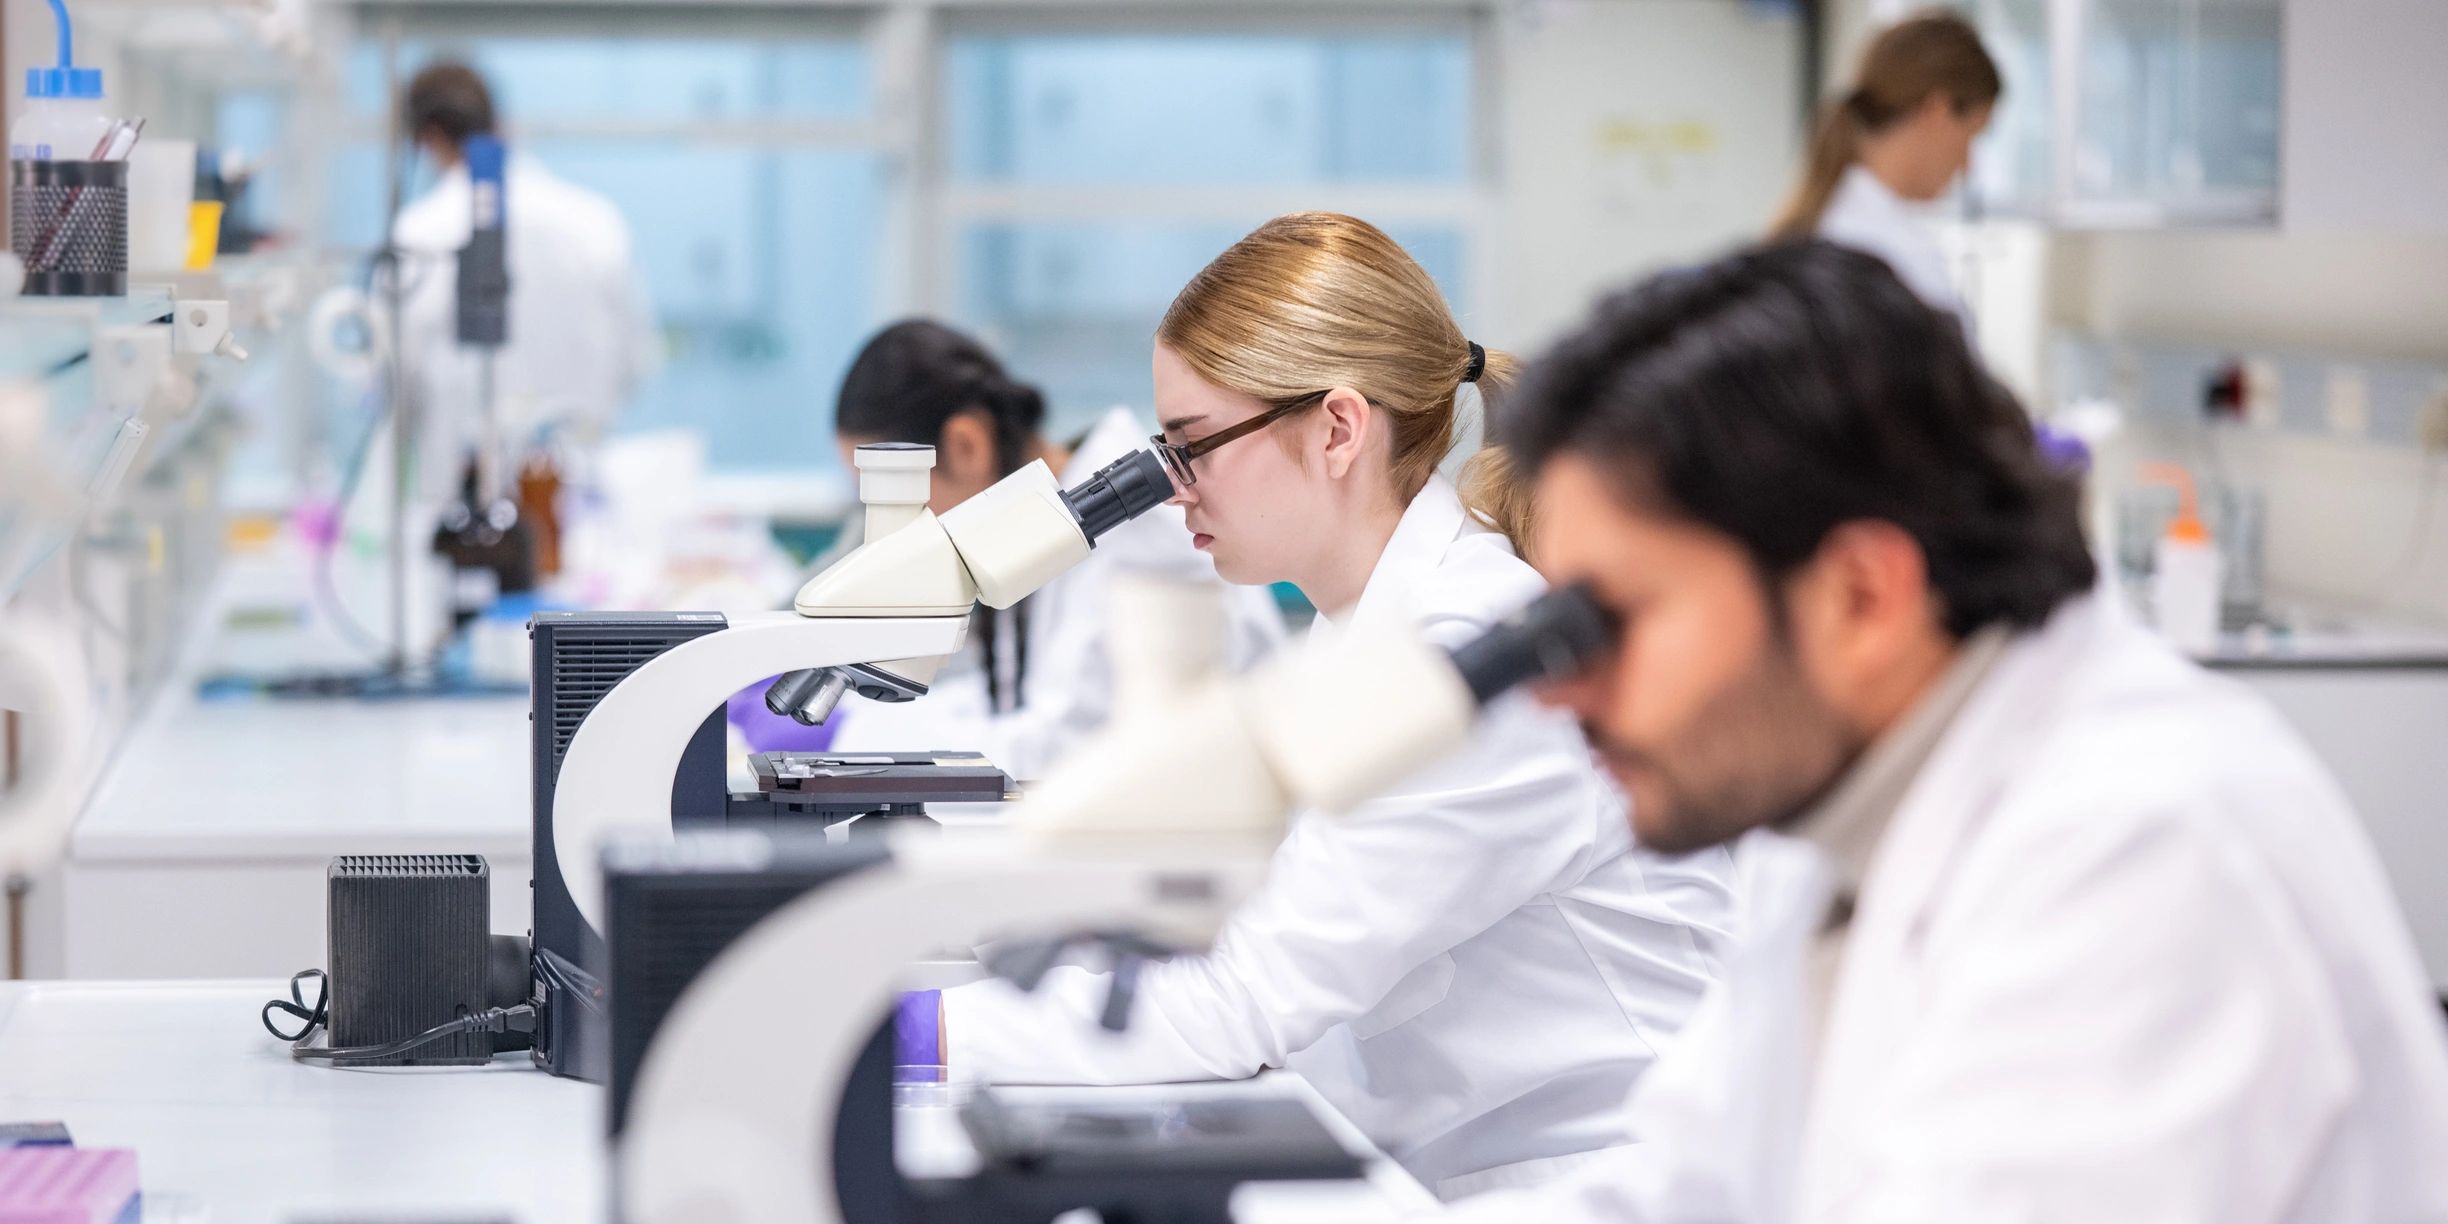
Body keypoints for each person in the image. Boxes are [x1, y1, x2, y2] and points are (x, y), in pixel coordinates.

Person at [1431, 239, 2448, 1221]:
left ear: (1864, 596)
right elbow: (1683, 1190)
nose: (1560, 695)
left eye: (1612, 622)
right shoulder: (1847, 793)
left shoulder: (2141, 847)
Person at [923, 214, 1740, 1200]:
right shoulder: (1363, 629)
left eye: (1193, 448)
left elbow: (1244, 1001)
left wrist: (910, 1033)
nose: (1175, 490)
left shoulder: (1466, 659)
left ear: (1340, 429)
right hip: (1429, 1165)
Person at [822, 319, 1287, 778]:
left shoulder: (1136, 523)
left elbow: (1077, 749)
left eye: (895, 495)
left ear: (966, 445)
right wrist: (863, 717)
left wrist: (855, 741)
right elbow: (1010, 694)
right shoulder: (1029, 525)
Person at [389, 62, 659, 502]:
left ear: (429, 137)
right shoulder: (594, 221)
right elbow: (635, 362)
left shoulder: (419, 234)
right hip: (576, 498)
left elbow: (394, 379)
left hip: (462, 506)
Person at [1768, 10, 1999, 328]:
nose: (1967, 165)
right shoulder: (1899, 261)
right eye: (1971, 136)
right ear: (1938, 112)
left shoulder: (1819, 224)